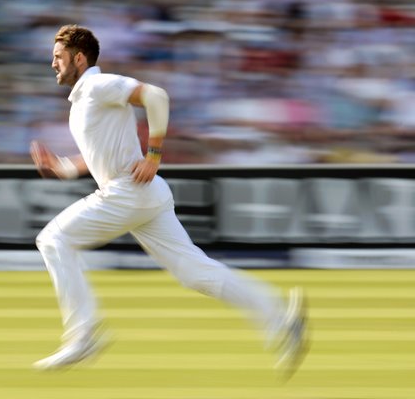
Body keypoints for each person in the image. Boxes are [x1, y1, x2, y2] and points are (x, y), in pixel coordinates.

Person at [30, 24, 309, 379]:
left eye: (58, 57)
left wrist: (154, 154)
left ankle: (82, 335)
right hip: (142, 194)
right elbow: (97, 157)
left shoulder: (98, 85)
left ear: (79, 58)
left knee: (53, 239)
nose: (52, 63)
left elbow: (157, 96)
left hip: (129, 190)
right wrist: (62, 168)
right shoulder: (84, 100)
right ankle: (281, 318)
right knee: (196, 273)